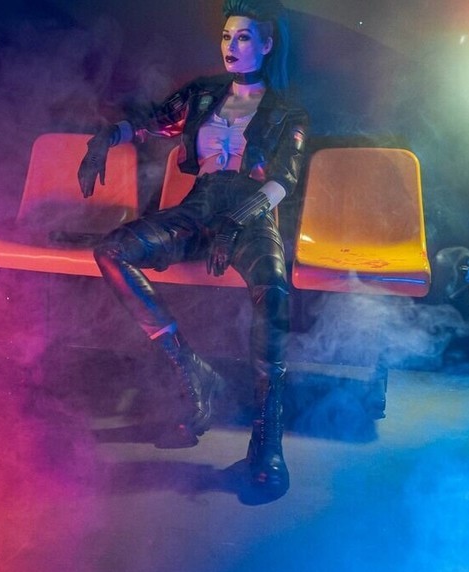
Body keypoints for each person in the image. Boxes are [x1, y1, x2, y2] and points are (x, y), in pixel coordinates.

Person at [78, 0, 308, 496]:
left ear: (267, 44)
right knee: (113, 250)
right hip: (199, 207)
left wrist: (236, 220)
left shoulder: (287, 111)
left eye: (243, 37)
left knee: (273, 287)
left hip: (251, 213)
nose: (231, 47)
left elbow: (283, 182)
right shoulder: (202, 95)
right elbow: (148, 122)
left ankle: (267, 438)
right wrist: (105, 138)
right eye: (226, 37)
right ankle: (192, 370)